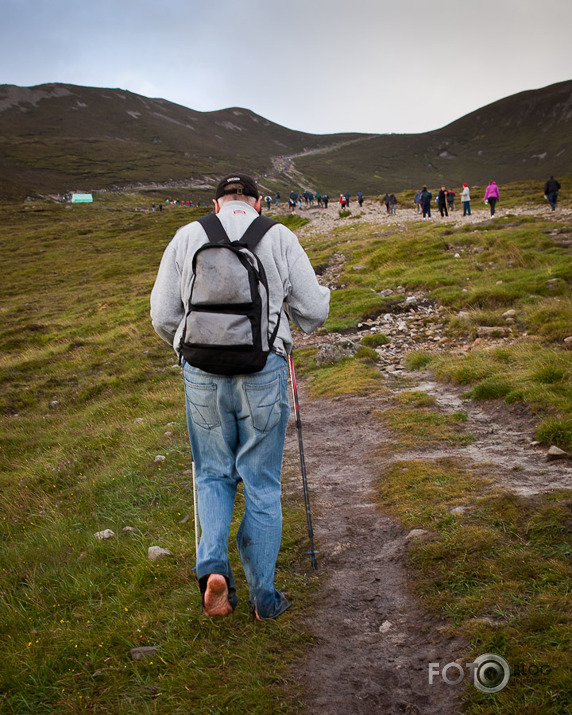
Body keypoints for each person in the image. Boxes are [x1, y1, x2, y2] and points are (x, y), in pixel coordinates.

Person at [150, 173, 330, 620]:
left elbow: (162, 314)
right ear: (257, 202)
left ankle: (213, 569)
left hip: (201, 373)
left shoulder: (187, 236)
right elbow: (313, 309)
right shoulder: (279, 236)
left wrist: (191, 346)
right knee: (262, 483)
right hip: (264, 370)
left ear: (216, 204)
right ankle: (264, 599)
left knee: (211, 473)